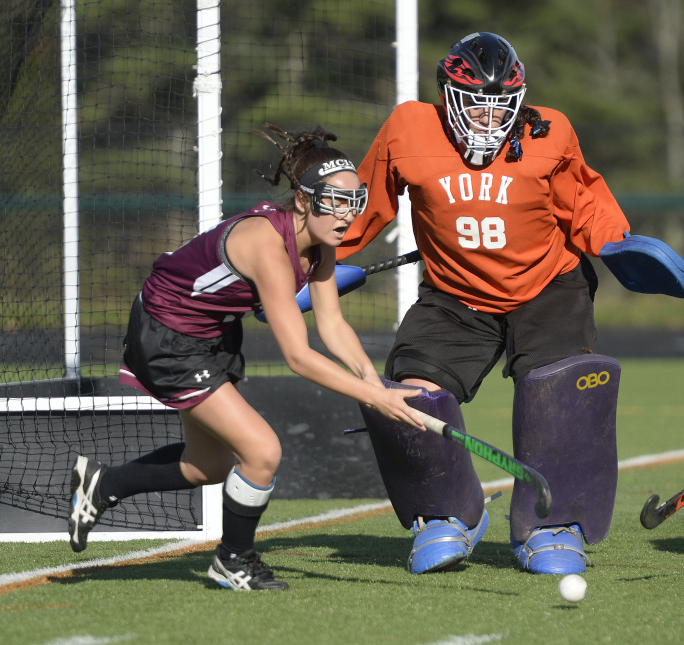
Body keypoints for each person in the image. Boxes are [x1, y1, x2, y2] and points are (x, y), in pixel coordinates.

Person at [67, 124, 426, 591]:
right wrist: (374, 399)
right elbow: (298, 356)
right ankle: (233, 561)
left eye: (353, 202)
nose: (346, 215)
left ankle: (104, 484)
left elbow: (332, 324)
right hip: (168, 334)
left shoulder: (322, 244)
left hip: (213, 334)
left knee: (208, 466)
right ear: (302, 200)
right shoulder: (267, 247)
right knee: (262, 451)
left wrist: (372, 381)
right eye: (334, 202)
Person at [336, 32, 632, 575]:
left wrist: (619, 244)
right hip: (455, 294)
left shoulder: (552, 132)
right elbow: (365, 206)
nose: (488, 120)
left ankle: (553, 524)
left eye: (501, 108)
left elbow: (584, 203)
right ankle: (447, 514)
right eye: (475, 105)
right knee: (410, 393)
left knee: (561, 388)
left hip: (549, 285)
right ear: (449, 96)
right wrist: (308, 260)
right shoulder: (408, 129)